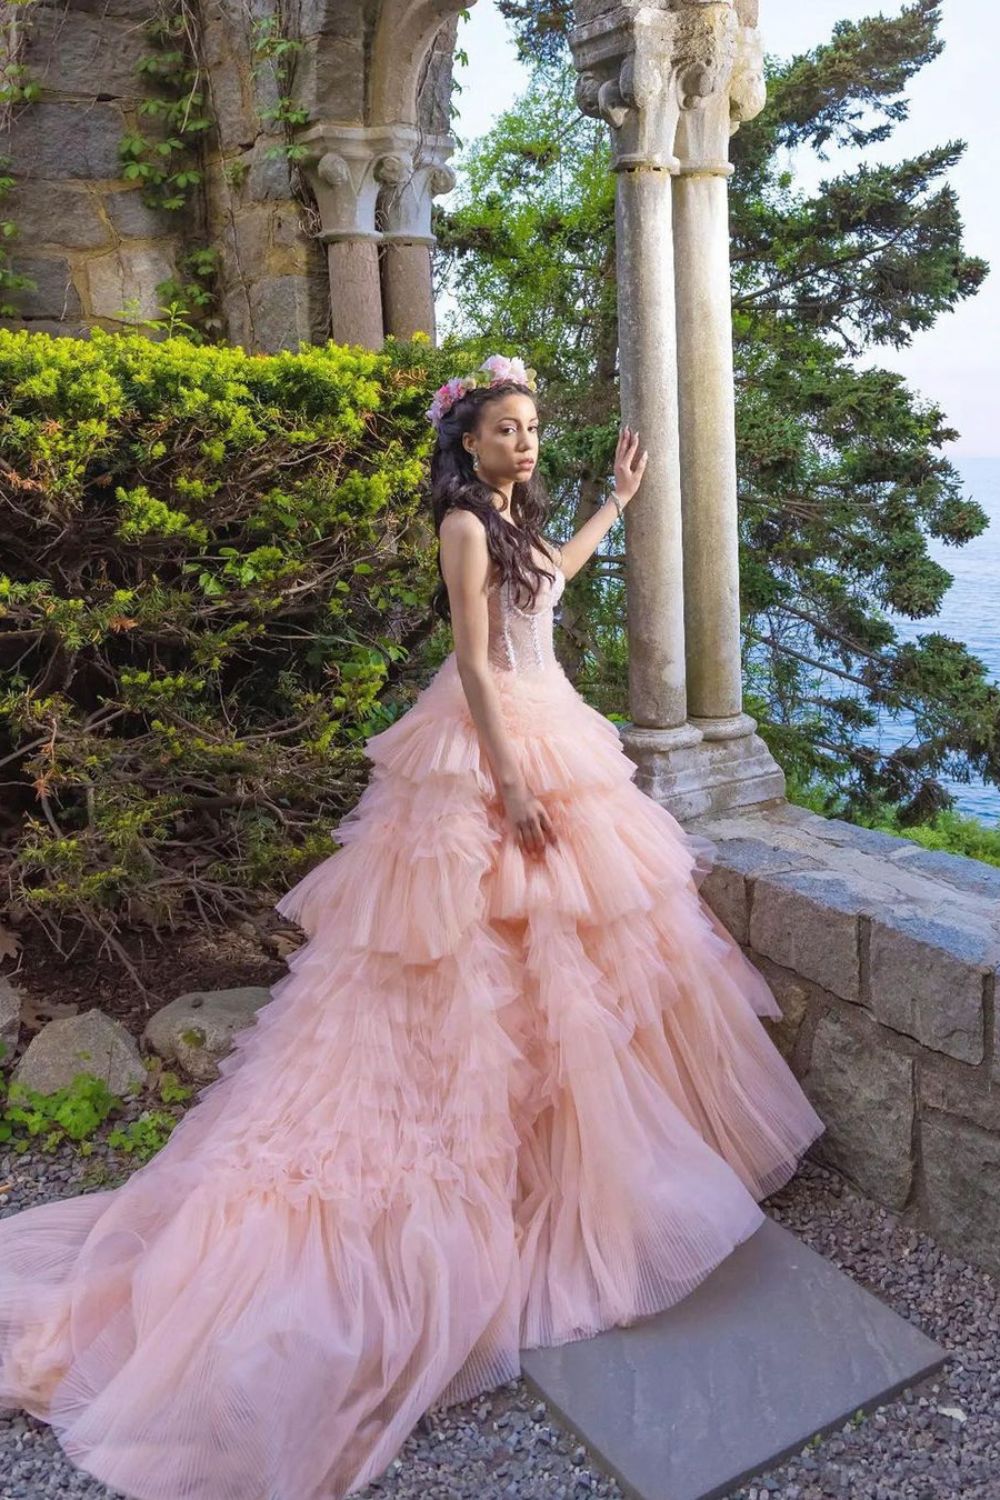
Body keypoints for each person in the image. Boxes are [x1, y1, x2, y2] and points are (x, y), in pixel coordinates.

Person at [0, 353, 825, 1500]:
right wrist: (509, 781)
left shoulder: (514, 521)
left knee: (570, 965)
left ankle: (568, 1165)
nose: (523, 442)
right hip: (495, 748)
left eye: (532, 428)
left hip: (555, 726)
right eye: (504, 430)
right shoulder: (462, 526)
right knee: (465, 966)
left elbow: (551, 588)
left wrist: (614, 507)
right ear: (467, 442)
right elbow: (479, 665)